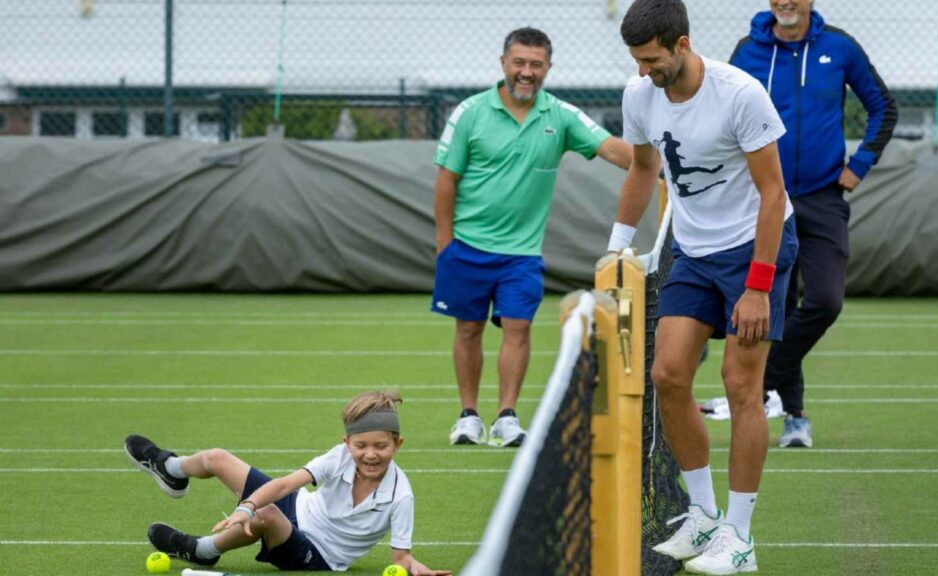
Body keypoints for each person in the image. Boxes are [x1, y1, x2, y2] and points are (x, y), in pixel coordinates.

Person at [607, 0, 799, 573]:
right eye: (637, 61)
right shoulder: (639, 94)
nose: (644, 71)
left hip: (754, 249)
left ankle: (739, 537)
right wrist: (617, 246)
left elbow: (772, 193)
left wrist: (758, 288)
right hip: (691, 249)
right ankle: (704, 516)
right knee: (667, 374)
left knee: (741, 386)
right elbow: (644, 169)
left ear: (682, 44)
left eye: (652, 59)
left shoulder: (739, 94)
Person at [433, 27, 633, 448]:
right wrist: (445, 243)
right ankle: (468, 415)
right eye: (519, 62)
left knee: (518, 329)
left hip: (522, 254)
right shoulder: (469, 112)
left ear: (548, 68)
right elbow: (446, 180)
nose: (527, 72)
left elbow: (617, 151)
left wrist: (671, 154)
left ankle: (506, 417)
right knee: (468, 329)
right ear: (504, 63)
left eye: (535, 64)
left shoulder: (560, 115)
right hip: (466, 247)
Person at [730, 0, 897, 448]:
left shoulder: (839, 47)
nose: (786, 2)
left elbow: (884, 107)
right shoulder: (747, 51)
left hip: (824, 197)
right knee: (777, 305)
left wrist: (858, 166)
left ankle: (761, 380)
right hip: (764, 199)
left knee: (824, 300)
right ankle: (795, 418)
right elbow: (721, 115)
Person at [124, 391, 450, 575]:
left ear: (398, 444)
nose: (370, 455)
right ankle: (171, 468)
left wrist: (414, 567)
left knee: (267, 514)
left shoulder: (401, 496)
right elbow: (286, 484)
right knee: (217, 458)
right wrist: (247, 506)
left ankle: (202, 551)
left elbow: (399, 560)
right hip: (298, 508)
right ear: (347, 443)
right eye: (361, 446)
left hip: (317, 556)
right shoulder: (340, 456)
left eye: (381, 446)